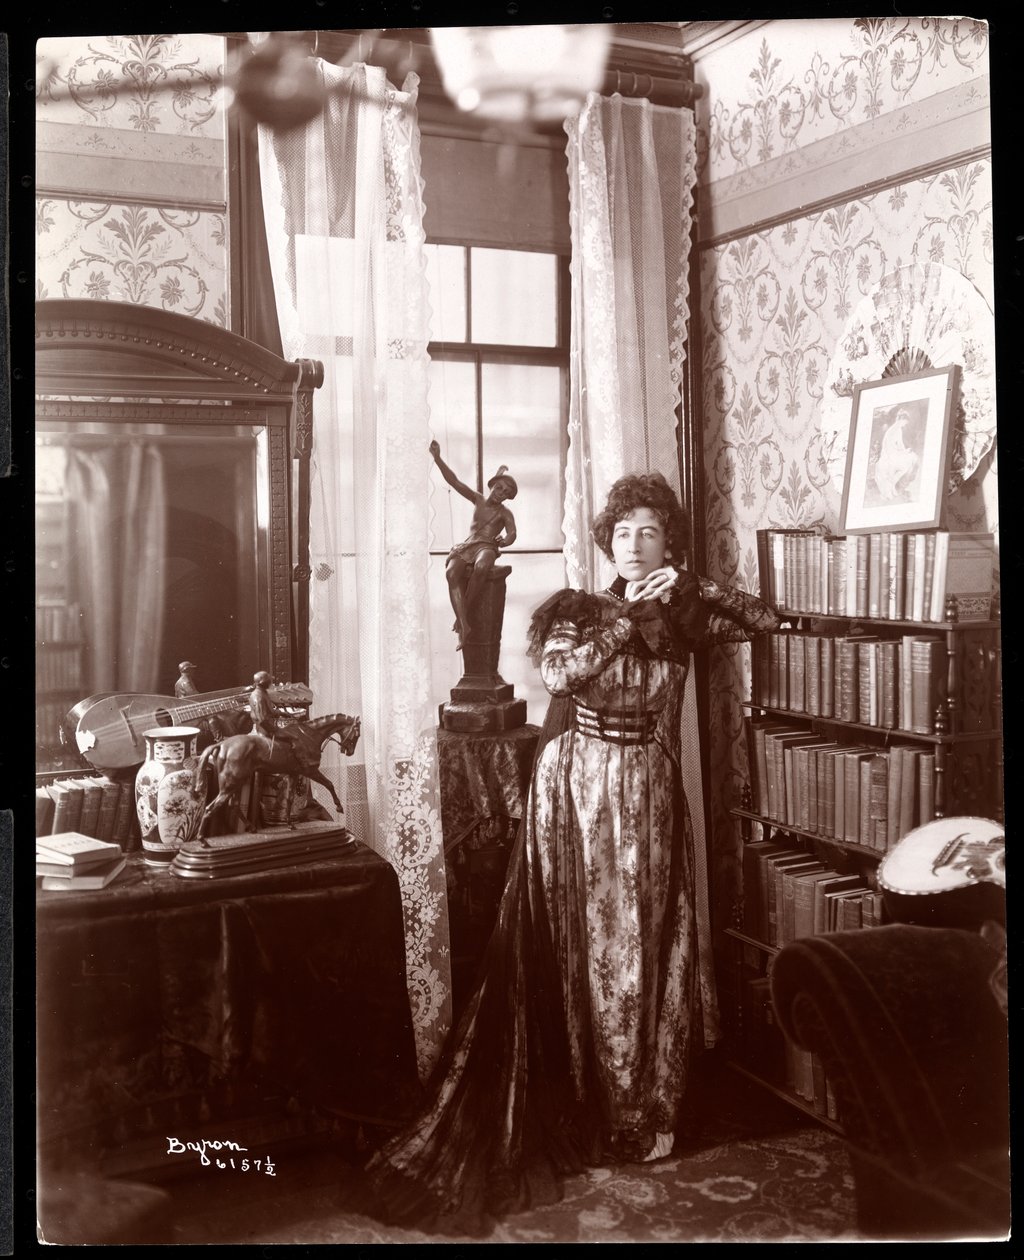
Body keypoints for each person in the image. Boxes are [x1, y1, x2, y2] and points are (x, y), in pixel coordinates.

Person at [362, 472, 780, 1234]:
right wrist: (627, 617)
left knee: (648, 942)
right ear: (607, 545)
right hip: (580, 787)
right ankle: (597, 1102)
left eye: (649, 533)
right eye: (622, 533)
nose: (635, 544)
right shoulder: (577, 612)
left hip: (649, 787)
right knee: (595, 944)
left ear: (669, 544)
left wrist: (689, 588)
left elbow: (763, 620)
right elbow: (561, 675)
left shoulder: (684, 616)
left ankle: (646, 1102)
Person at [429, 439, 518, 648]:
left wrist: (505, 541)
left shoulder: (505, 513)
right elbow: (454, 481)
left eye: (506, 492)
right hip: (468, 545)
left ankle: (464, 614)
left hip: (487, 547)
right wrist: (437, 458)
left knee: (482, 566)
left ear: (508, 497)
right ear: (492, 486)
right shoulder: (478, 499)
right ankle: (463, 623)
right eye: (499, 488)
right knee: (451, 573)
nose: (501, 493)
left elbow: (512, 532)